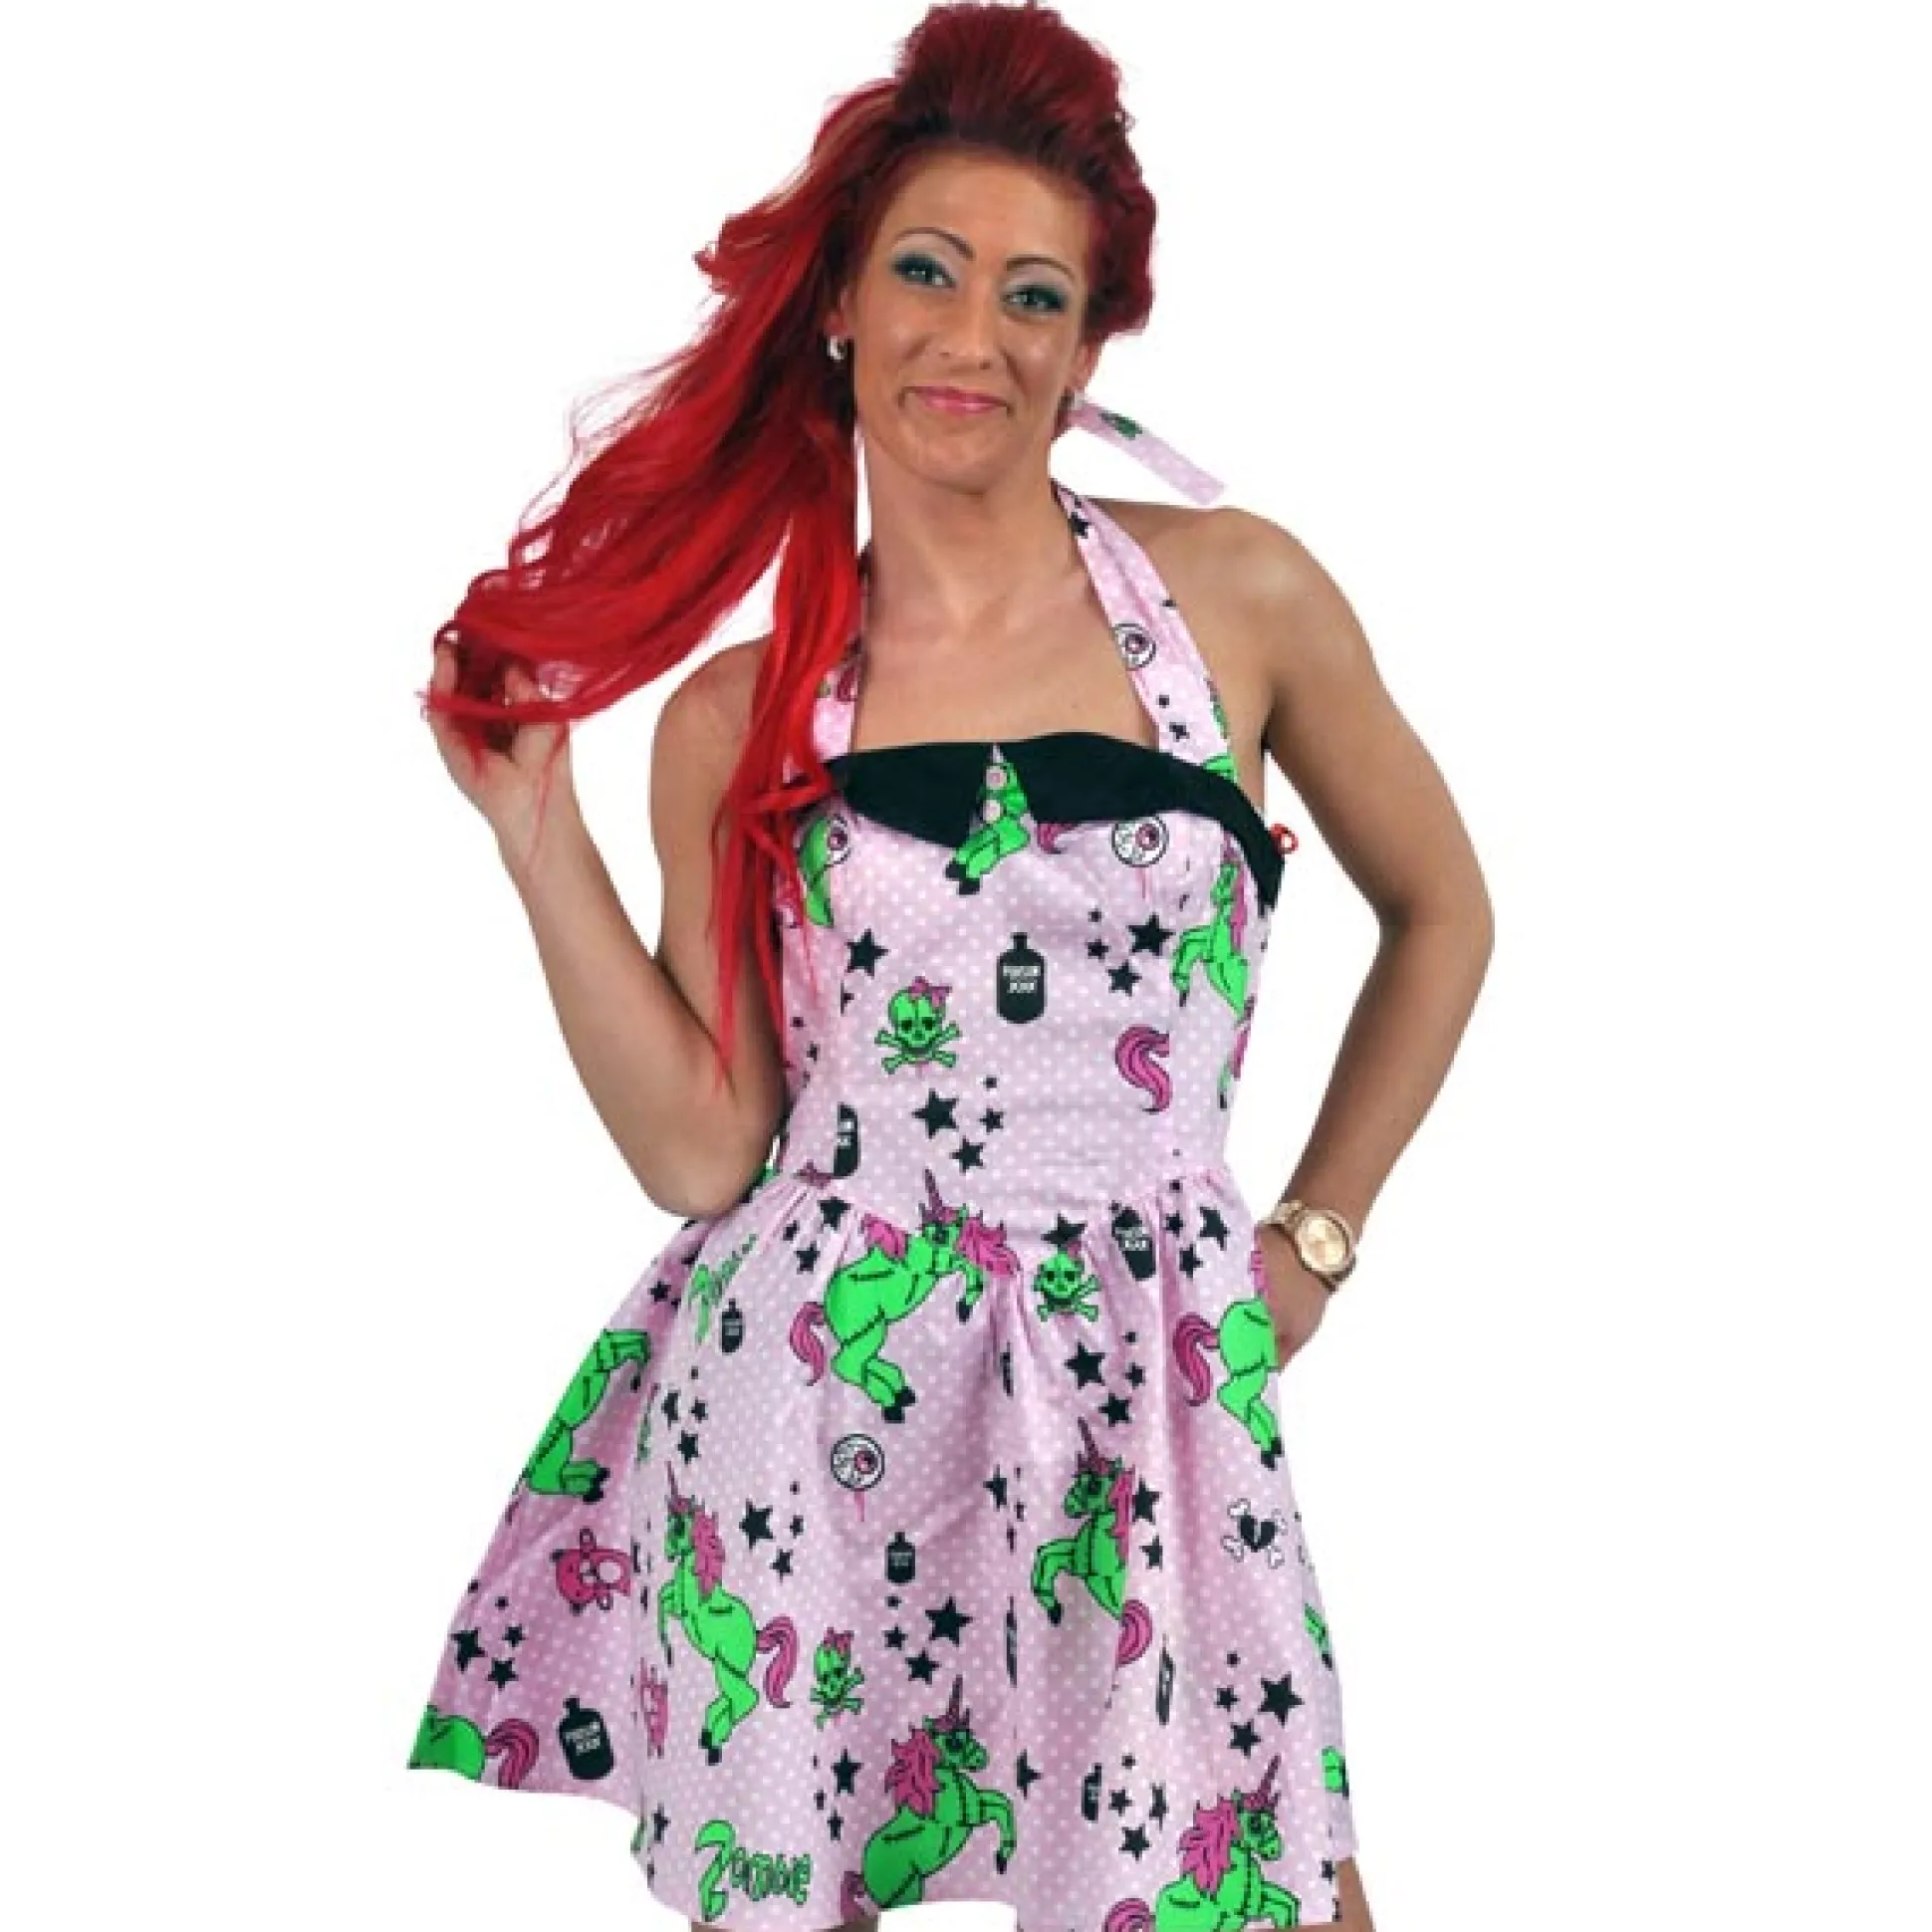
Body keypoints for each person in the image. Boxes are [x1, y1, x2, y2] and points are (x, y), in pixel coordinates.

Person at [406, 7, 1493, 1931]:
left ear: (1086, 351)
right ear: (839, 301)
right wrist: (533, 836)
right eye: (926, 270)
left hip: (1150, 1399)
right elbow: (703, 1150)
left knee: (1257, 1880)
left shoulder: (1239, 601)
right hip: (815, 1407)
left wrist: (1313, 1243)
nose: (970, 335)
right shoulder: (741, 714)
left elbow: (1443, 912)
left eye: (1032, 295)